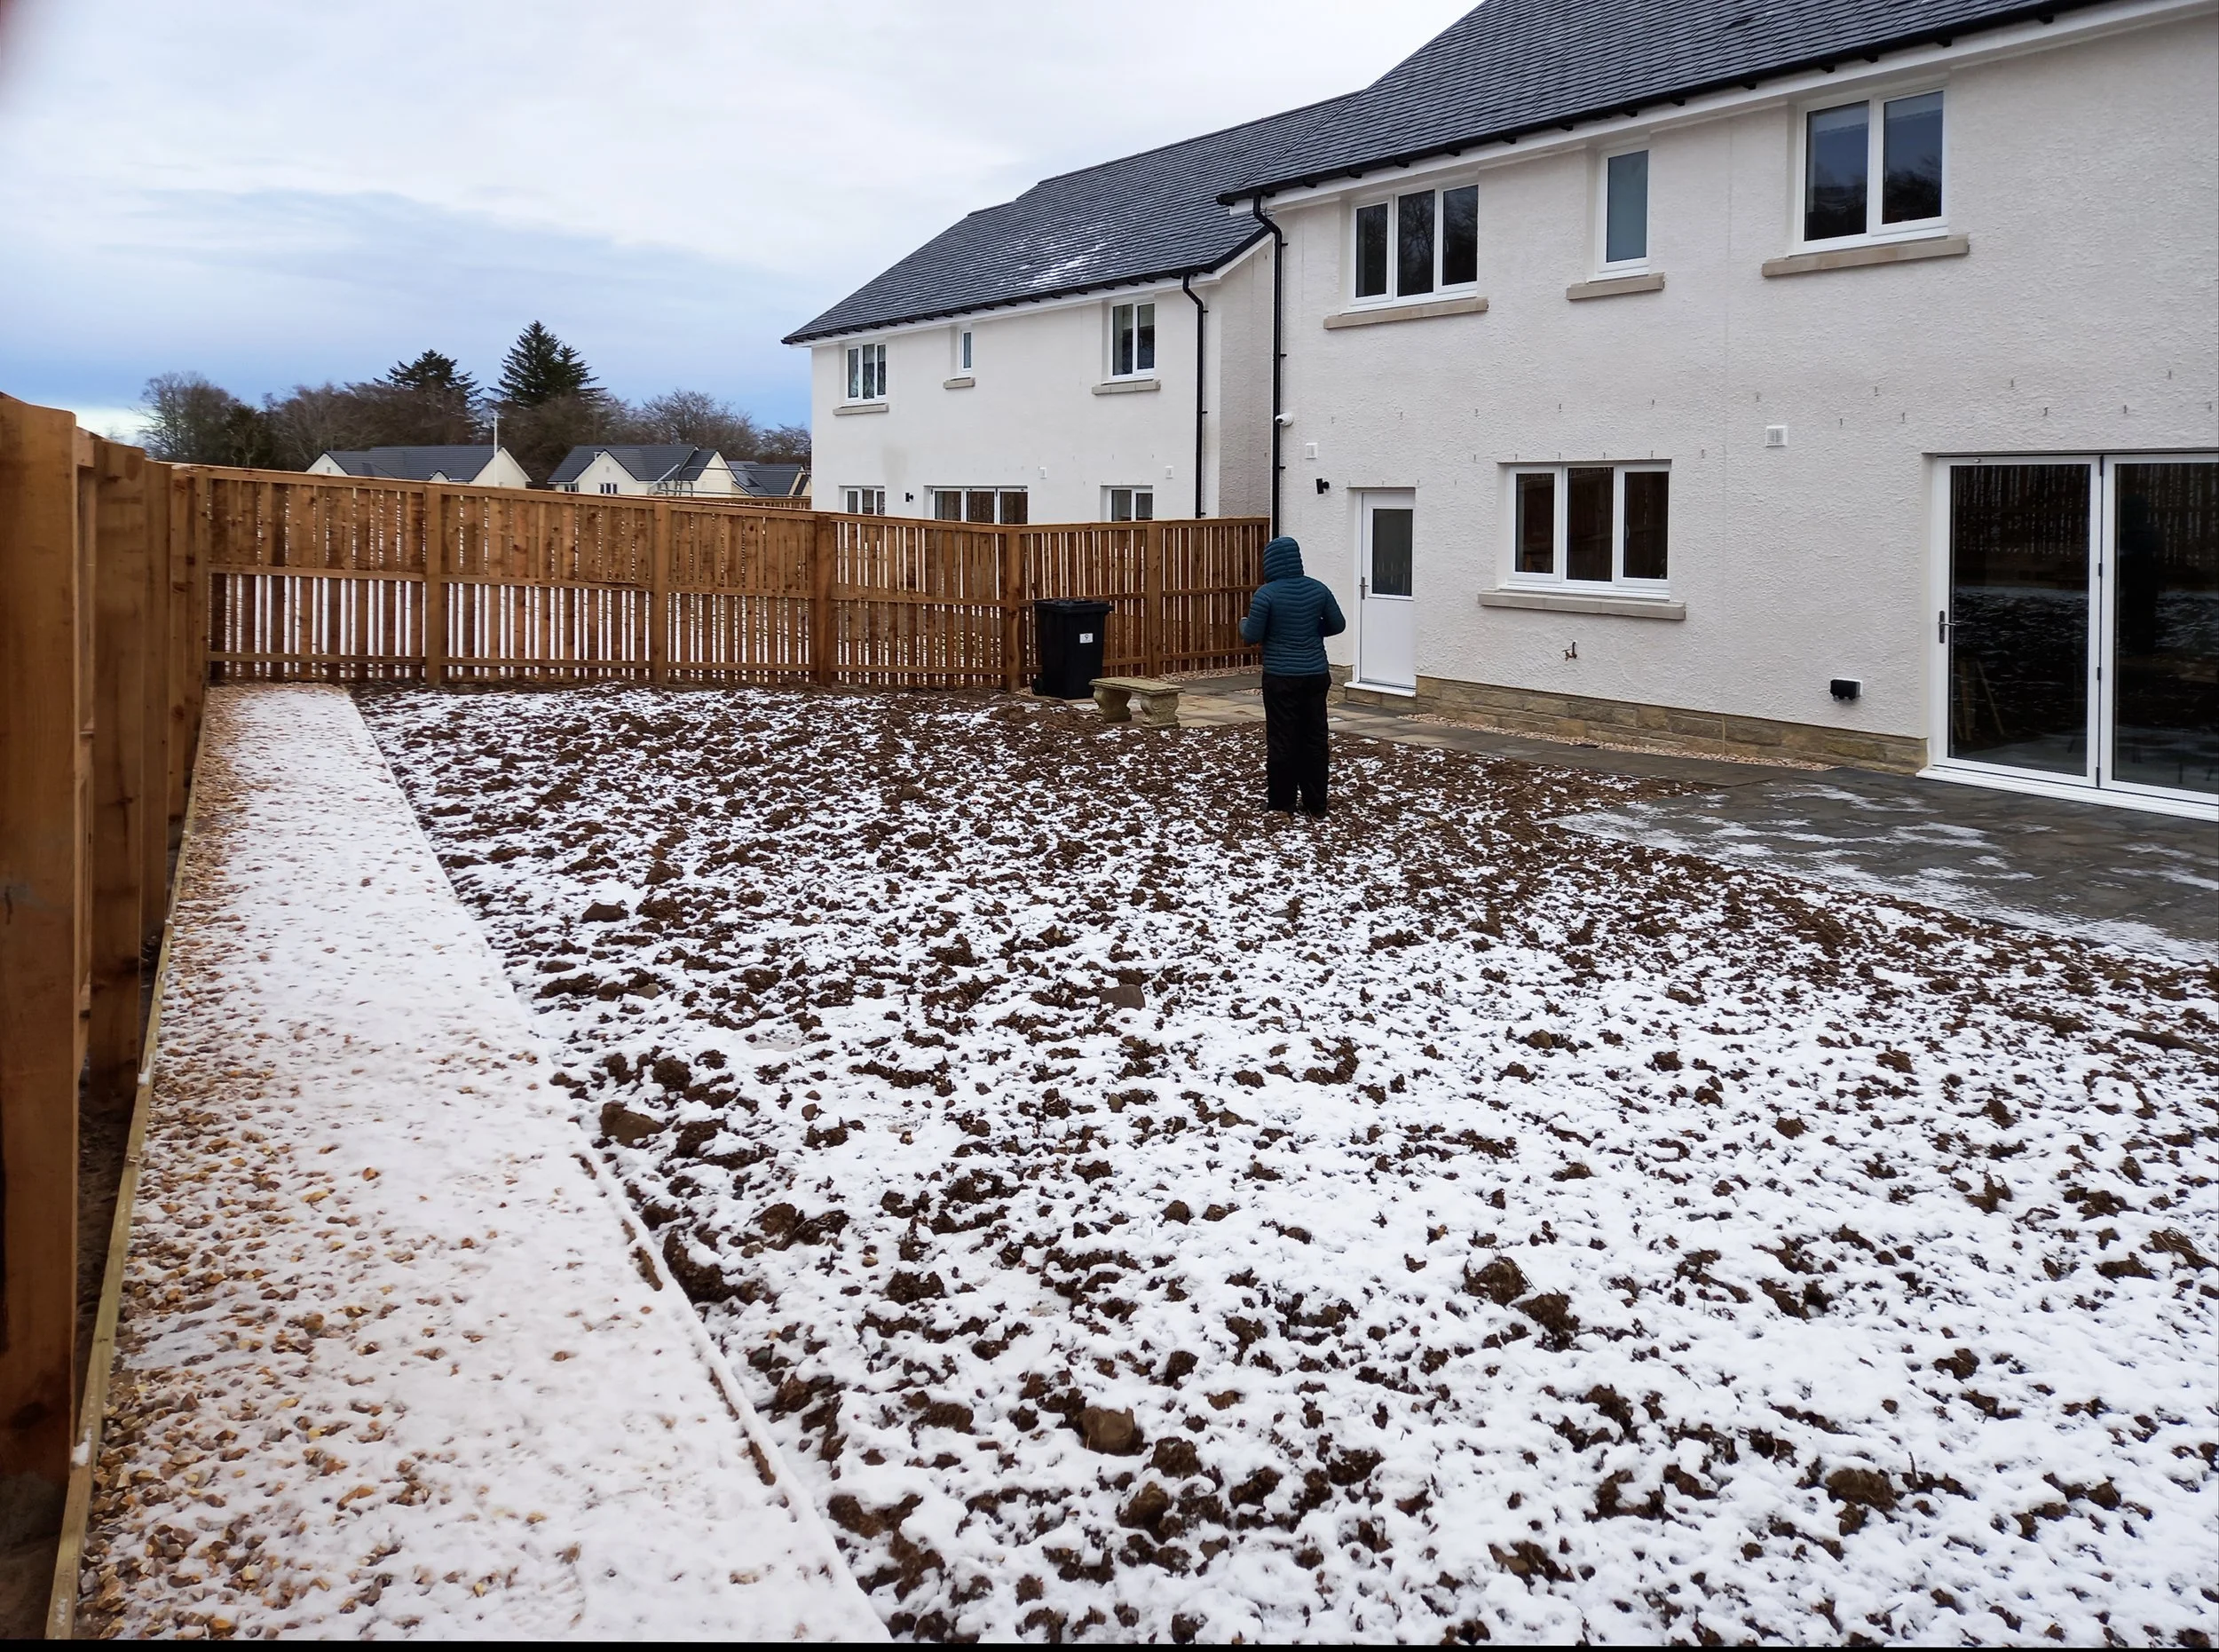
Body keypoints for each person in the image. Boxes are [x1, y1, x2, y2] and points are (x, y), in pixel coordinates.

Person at [1239, 535, 1346, 817]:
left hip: (1280, 676)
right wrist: (1311, 632)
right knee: (1314, 738)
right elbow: (1338, 624)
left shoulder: (1266, 594)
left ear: (1269, 563)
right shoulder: (1318, 589)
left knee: (1282, 738)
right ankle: (1316, 805)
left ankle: (1282, 803)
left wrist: (1243, 623)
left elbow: (1252, 635)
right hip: (1315, 674)